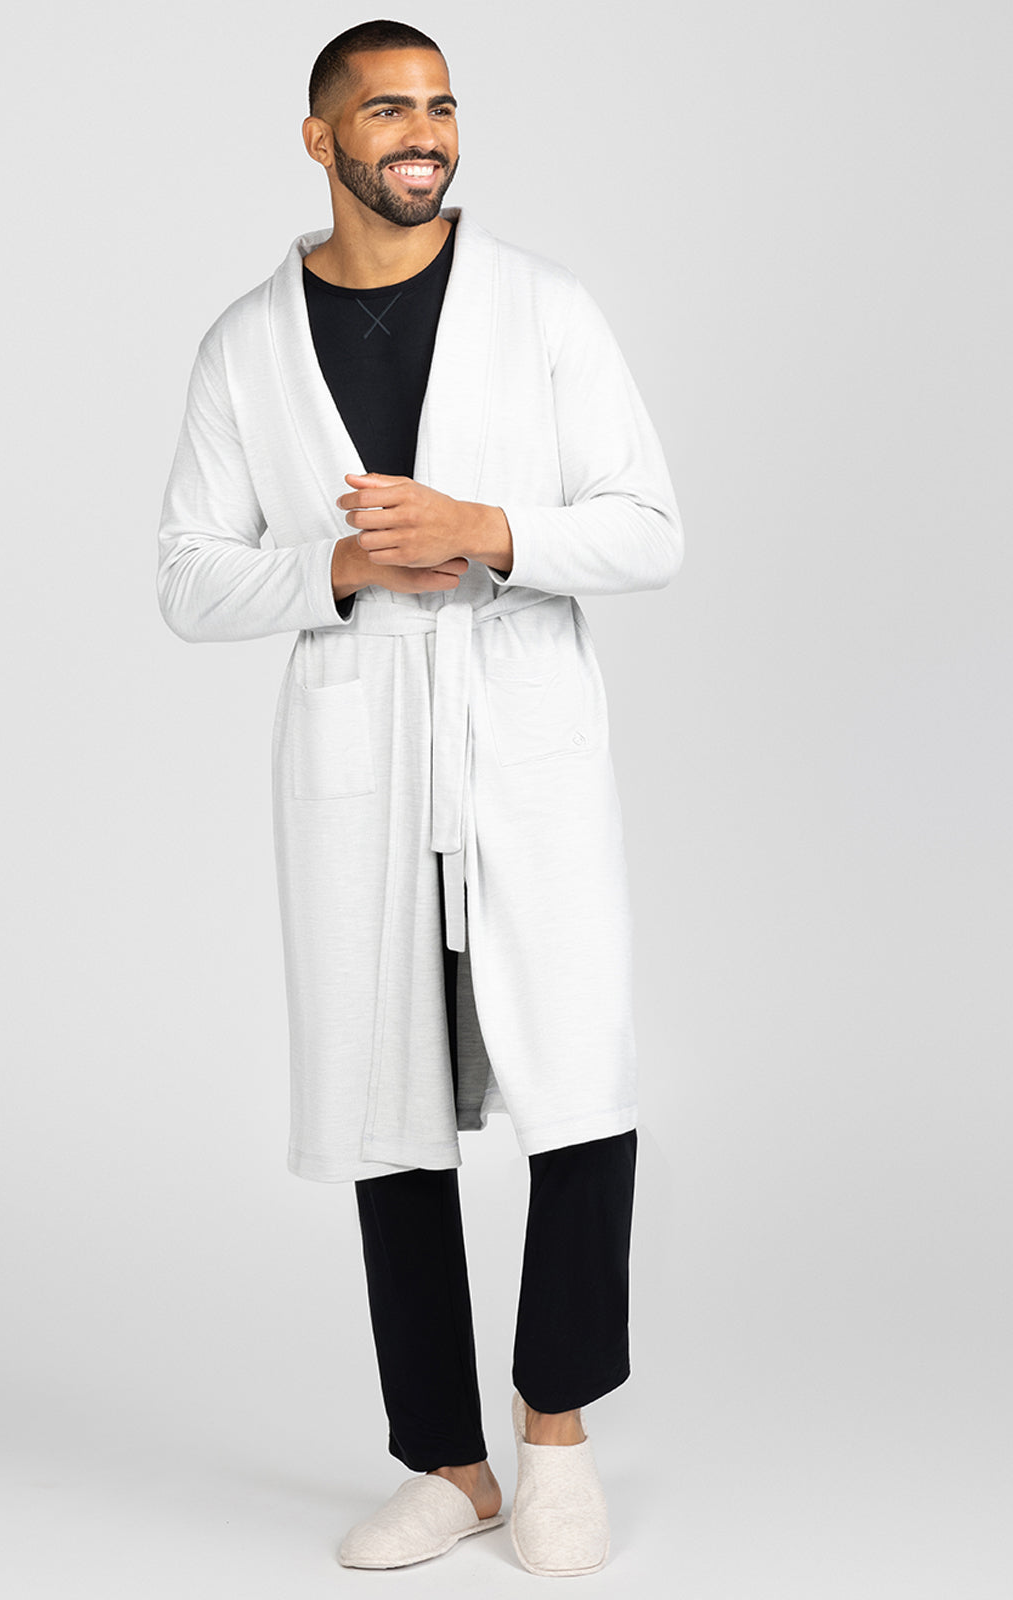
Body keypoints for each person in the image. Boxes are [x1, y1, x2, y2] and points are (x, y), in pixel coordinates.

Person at [156, 18, 683, 1578]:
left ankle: (555, 1433)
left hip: (522, 730)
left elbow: (650, 527)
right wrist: (335, 564)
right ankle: (448, 1464)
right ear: (320, 139)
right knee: (389, 1105)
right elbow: (186, 577)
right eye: (386, 109)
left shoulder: (544, 309)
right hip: (361, 743)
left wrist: (488, 530)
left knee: (577, 1077)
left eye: (440, 104)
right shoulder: (247, 347)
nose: (423, 131)